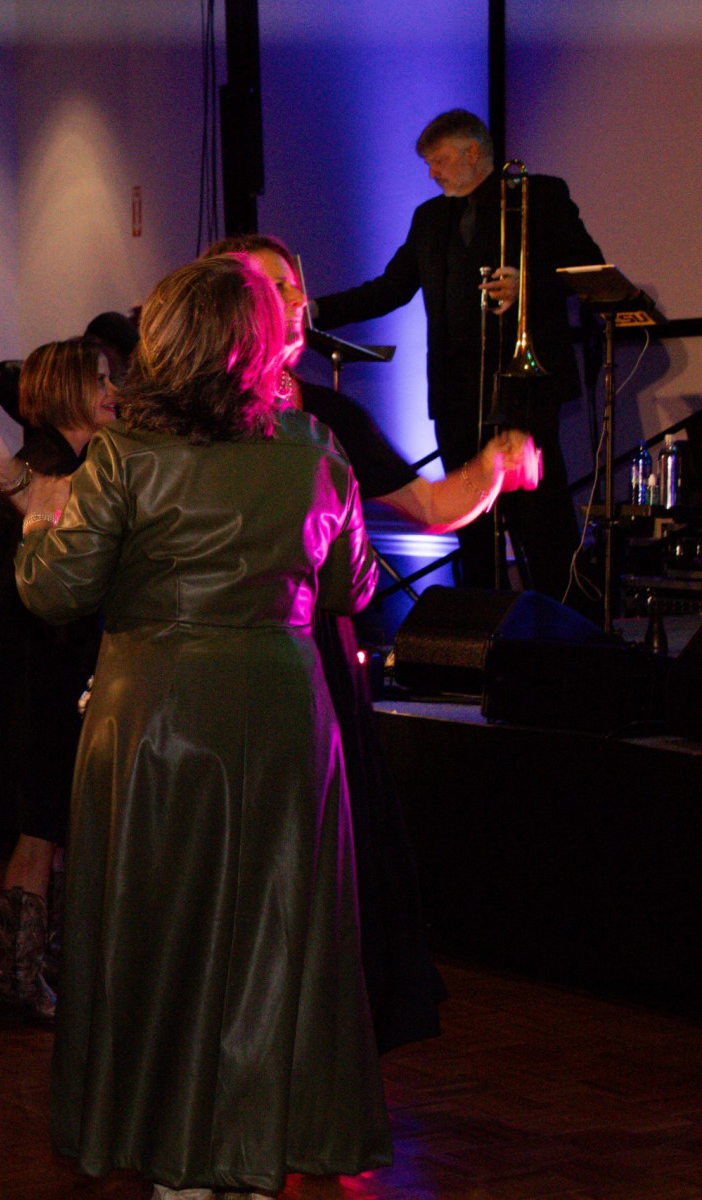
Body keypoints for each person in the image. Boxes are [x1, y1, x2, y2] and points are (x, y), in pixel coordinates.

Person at [17, 255, 391, 1196]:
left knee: (158, 934)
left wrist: (34, 533)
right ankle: (256, 1149)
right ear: (261, 347)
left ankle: (174, 1160)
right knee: (277, 937)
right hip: (283, 716)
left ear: (167, 341)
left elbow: (58, 592)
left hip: (157, 719)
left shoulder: (124, 456)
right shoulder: (314, 448)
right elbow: (351, 587)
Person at [212, 231, 543, 1053]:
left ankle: (318, 1016)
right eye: (272, 289)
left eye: (295, 286)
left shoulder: (327, 416)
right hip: (218, 661)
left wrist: (493, 468)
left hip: (313, 654)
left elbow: (431, 508)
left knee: (326, 837)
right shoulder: (191, 419)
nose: (296, 303)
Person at [311, 108, 603, 599]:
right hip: (455, 393)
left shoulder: (539, 195)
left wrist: (529, 285)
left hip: (523, 389)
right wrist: (316, 310)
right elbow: (390, 289)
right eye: (428, 163)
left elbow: (588, 268)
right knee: (470, 524)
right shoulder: (430, 218)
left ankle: (562, 624)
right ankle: (478, 623)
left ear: (473, 152)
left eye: (440, 160)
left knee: (541, 523)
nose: (432, 173)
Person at [0, 337, 115, 1024]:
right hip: (38, 670)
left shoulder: (63, 461)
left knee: (55, 822)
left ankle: (43, 966)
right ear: (67, 390)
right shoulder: (48, 464)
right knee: (42, 825)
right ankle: (20, 975)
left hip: (50, 664)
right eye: (100, 380)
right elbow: (54, 546)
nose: (113, 392)